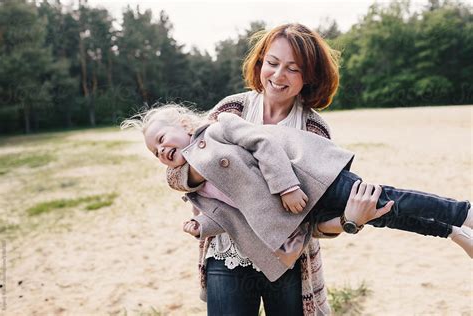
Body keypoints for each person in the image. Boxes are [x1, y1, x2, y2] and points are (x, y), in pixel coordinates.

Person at [126, 23, 394, 315]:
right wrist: (208, 171)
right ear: (260, 62)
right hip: (226, 255)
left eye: (293, 68)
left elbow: (314, 219)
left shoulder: (314, 129)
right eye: (273, 63)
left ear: (310, 76)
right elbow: (179, 169)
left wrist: (348, 221)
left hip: (287, 262)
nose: (279, 76)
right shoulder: (231, 110)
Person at [122, 105, 473, 265]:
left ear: (184, 124)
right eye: (155, 151)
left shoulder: (218, 128)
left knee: (392, 199)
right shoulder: (193, 188)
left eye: (162, 138)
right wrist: (201, 225)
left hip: (311, 184)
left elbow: (264, 143)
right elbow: (231, 210)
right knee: (386, 215)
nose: (161, 149)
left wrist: (286, 185)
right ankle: (450, 232)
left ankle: (465, 213)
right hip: (301, 215)